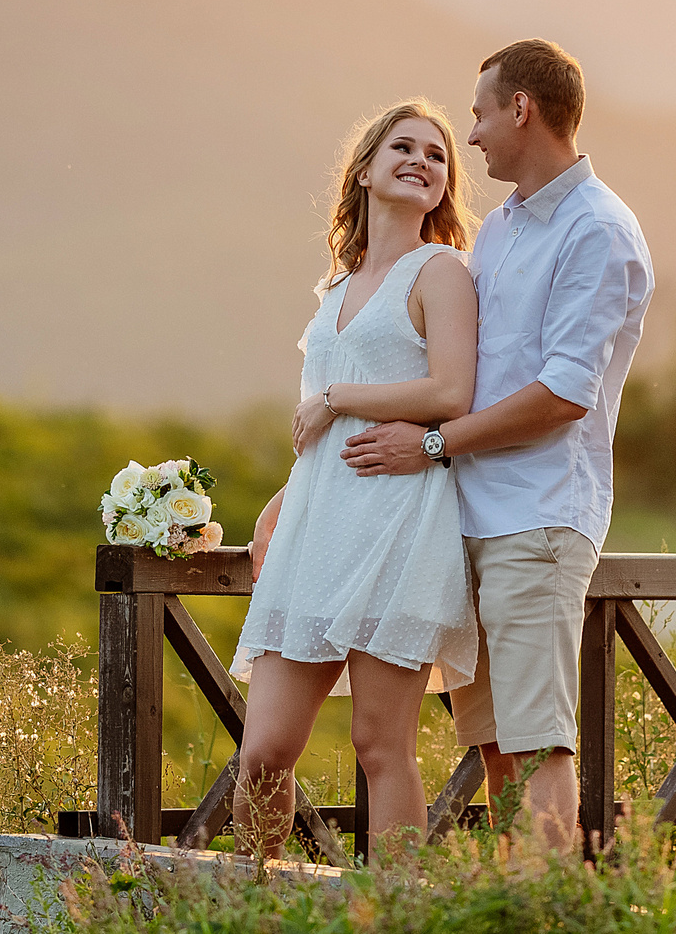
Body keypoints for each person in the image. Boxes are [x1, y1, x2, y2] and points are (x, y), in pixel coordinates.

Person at [342, 40, 653, 853]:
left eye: (479, 113)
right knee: (492, 745)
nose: (471, 135)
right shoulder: (505, 227)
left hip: (538, 520)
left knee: (539, 739)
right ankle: (513, 902)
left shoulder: (598, 230)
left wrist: (435, 443)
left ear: (522, 109)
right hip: (466, 517)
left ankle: (546, 912)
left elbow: (561, 395)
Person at [230, 99, 482, 859]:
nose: (422, 160)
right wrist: (281, 502)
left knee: (380, 745)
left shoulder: (441, 272)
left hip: (399, 523)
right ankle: (256, 903)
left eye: (437, 155)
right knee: (264, 749)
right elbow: (317, 429)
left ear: (443, 185)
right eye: (403, 146)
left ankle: (391, 915)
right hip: (318, 529)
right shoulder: (335, 290)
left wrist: (337, 397)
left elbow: (451, 391)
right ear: (365, 169)